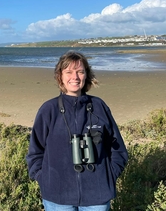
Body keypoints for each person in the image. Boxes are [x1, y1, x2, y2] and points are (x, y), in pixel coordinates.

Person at [26, 51, 128, 211]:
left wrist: (109, 175)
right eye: (69, 72)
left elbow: (118, 150)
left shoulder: (99, 107)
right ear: (60, 76)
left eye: (80, 71)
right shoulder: (49, 110)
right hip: (57, 196)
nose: (75, 77)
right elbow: (35, 152)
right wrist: (44, 179)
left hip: (97, 195)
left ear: (86, 75)